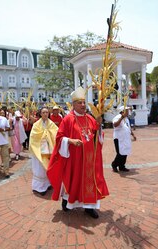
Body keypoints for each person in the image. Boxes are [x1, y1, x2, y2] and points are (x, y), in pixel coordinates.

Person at [47, 87, 109, 219]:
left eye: (84, 102)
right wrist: (70, 141)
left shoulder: (90, 118)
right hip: (74, 160)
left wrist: (99, 126)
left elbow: (97, 136)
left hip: (89, 160)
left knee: (89, 182)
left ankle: (89, 207)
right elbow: (59, 138)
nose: (83, 105)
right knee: (72, 180)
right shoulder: (68, 119)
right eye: (79, 103)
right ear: (73, 104)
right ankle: (67, 200)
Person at [29, 107, 58, 196]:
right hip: (39, 150)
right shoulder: (36, 125)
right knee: (40, 168)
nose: (45, 114)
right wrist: (44, 134)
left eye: (46, 112)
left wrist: (49, 134)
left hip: (49, 150)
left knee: (48, 167)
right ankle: (39, 187)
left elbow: (57, 133)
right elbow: (34, 137)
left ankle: (47, 184)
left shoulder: (51, 124)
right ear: (40, 114)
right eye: (43, 112)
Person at [111, 106, 136, 172]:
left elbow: (128, 128)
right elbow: (115, 125)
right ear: (123, 111)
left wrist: (133, 135)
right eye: (127, 111)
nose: (128, 112)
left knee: (125, 152)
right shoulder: (118, 117)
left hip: (126, 138)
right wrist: (122, 117)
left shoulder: (126, 119)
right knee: (120, 153)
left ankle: (122, 166)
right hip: (119, 139)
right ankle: (114, 165)